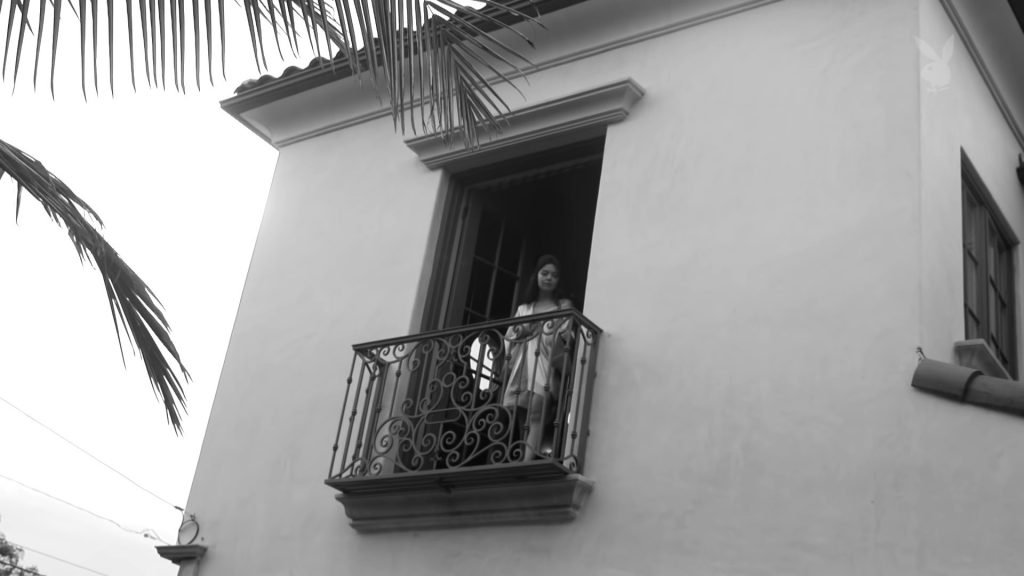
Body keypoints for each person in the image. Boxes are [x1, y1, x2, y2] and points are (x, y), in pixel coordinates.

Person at [503, 254, 574, 460]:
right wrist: (521, 333)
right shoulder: (524, 308)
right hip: (522, 362)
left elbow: (565, 334)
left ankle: (526, 462)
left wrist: (542, 331)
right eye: (545, 273)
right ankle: (522, 457)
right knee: (522, 413)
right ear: (536, 276)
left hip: (544, 361)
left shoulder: (563, 306)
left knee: (537, 411)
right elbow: (510, 336)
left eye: (554, 275)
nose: (549, 278)